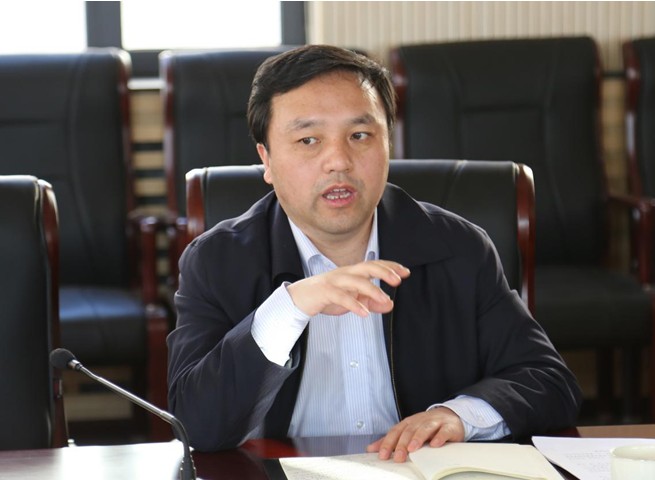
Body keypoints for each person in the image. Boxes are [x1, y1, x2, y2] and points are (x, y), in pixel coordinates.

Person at [167, 44, 581, 461]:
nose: (338, 161)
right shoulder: (216, 261)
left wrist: (458, 416)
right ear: (267, 161)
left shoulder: (457, 247)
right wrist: (290, 307)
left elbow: (548, 381)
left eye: (360, 136)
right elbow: (196, 424)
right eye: (308, 140)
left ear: (388, 145)